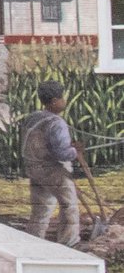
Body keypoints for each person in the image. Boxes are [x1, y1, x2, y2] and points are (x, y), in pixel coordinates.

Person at [21, 84, 84, 245]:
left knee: (41, 208)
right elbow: (62, 153)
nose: (64, 101)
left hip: (34, 168)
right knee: (69, 205)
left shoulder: (33, 117)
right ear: (55, 101)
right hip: (51, 169)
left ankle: (33, 241)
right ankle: (69, 243)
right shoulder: (57, 123)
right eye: (63, 98)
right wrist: (75, 151)